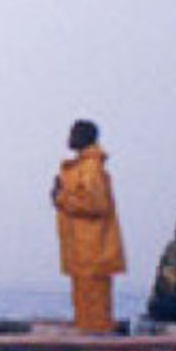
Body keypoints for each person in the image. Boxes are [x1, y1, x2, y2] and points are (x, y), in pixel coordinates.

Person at [52, 119, 126, 332]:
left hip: (93, 252)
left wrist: (61, 197)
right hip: (82, 252)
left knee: (95, 311)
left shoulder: (91, 168)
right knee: (84, 308)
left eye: (74, 133)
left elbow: (95, 204)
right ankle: (89, 340)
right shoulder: (80, 168)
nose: (69, 138)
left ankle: (99, 345)